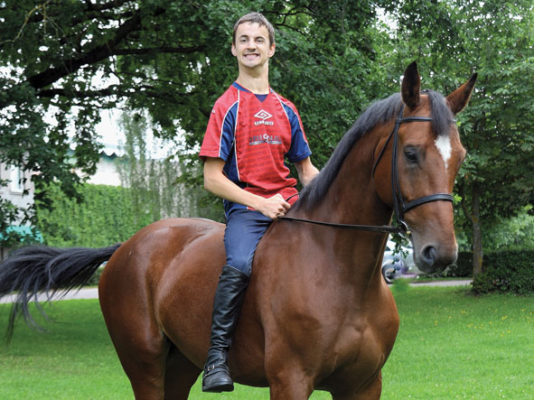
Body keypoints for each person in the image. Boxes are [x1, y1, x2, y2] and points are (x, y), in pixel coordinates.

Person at [198, 12, 319, 393]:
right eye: (244, 40)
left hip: (291, 205)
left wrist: (335, 194)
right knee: (237, 262)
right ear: (234, 49)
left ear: (271, 49)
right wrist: (260, 203)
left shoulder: (287, 108)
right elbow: (212, 178)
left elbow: (306, 171)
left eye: (259, 40)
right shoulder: (226, 106)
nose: (252, 46)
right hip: (247, 211)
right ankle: (216, 358)